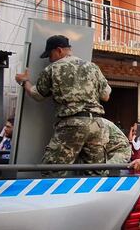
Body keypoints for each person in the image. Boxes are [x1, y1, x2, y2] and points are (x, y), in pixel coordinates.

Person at [14, 34, 112, 170]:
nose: (49, 59)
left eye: (50, 55)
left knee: (52, 171)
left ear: (59, 50)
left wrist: (24, 81)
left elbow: (37, 95)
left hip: (72, 124)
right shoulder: (93, 67)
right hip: (97, 125)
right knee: (96, 172)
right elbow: (106, 96)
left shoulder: (53, 69)